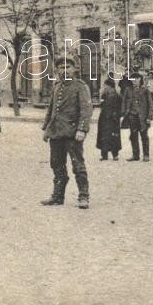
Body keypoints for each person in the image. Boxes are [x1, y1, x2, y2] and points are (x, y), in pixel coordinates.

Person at [41, 57, 93, 209]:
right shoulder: (57, 86)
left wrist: (82, 129)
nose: (65, 70)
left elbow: (86, 110)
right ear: (57, 70)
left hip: (72, 133)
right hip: (56, 132)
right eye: (61, 68)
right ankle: (58, 196)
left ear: (74, 69)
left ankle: (83, 196)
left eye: (68, 67)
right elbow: (51, 110)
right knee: (56, 165)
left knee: (78, 165)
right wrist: (46, 129)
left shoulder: (80, 86)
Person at [122, 73, 153, 162]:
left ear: (140, 80)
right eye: (133, 79)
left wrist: (149, 117)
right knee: (133, 136)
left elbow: (150, 104)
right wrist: (124, 114)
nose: (134, 81)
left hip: (143, 117)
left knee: (144, 136)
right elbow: (124, 102)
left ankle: (146, 155)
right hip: (132, 116)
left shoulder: (145, 90)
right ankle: (135, 155)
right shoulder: (128, 90)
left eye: (137, 79)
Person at [96, 75, 122, 161]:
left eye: (105, 85)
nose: (104, 87)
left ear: (110, 86)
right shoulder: (104, 95)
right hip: (104, 118)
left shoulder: (117, 96)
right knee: (103, 137)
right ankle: (104, 155)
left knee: (114, 137)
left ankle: (115, 155)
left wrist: (117, 116)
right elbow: (101, 105)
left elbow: (120, 107)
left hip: (113, 119)